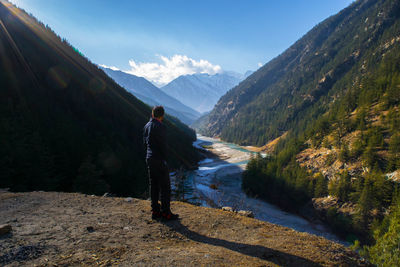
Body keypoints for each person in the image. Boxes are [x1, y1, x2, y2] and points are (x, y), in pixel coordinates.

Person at [143, 106, 179, 220]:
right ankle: (166, 212)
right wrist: (165, 159)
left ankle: (155, 210)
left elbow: (144, 143)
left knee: (153, 185)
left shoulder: (147, 126)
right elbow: (163, 145)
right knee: (165, 187)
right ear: (162, 116)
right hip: (159, 159)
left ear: (152, 114)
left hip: (149, 158)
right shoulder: (161, 126)